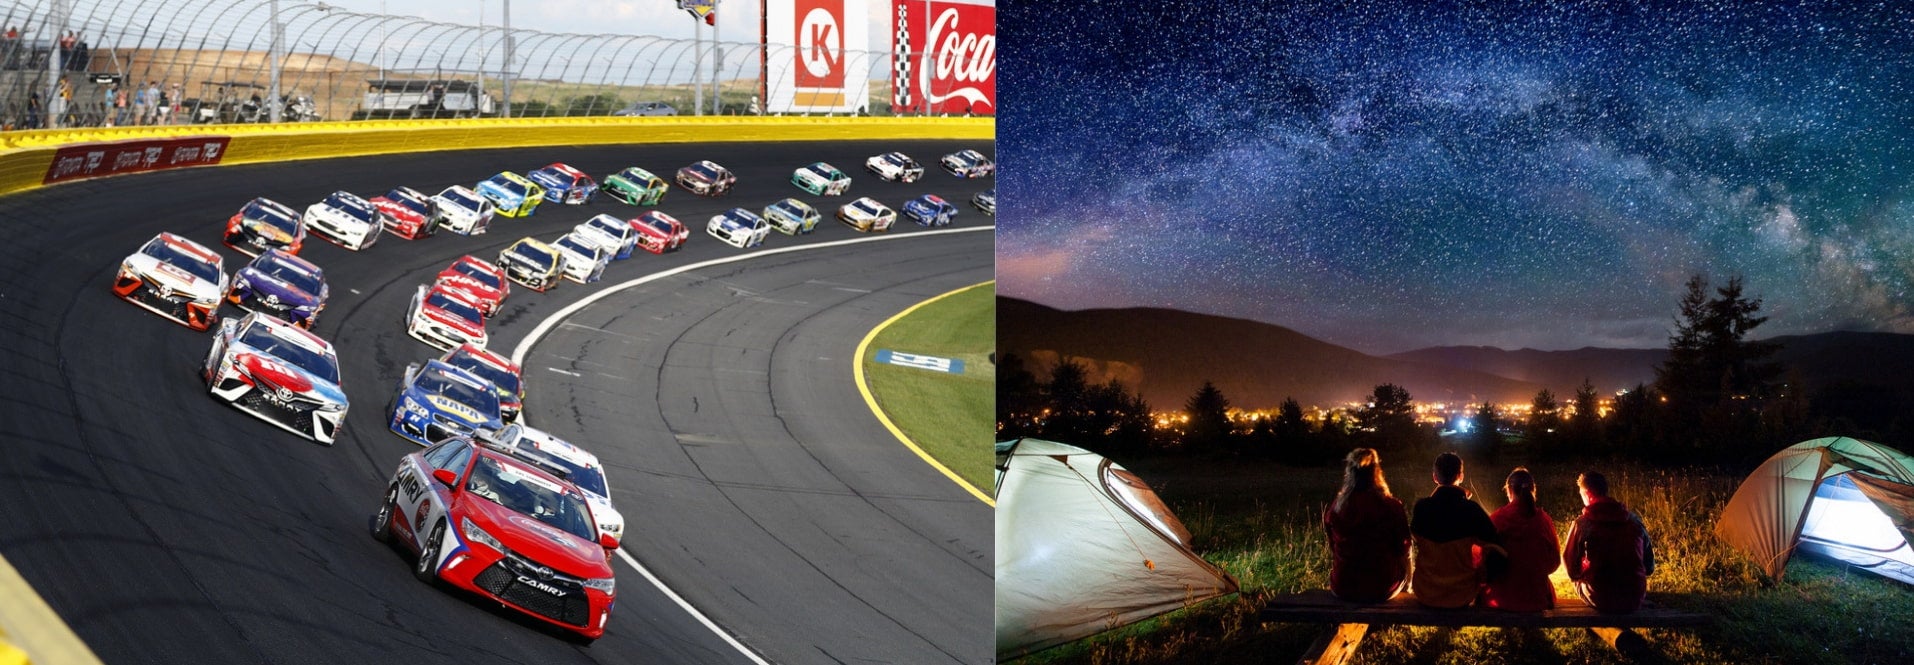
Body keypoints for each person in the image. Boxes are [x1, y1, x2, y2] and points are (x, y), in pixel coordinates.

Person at [1410, 452, 1502, 608]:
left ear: (1435, 477)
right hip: (1462, 594)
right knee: (1484, 548)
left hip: (1425, 592)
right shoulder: (1471, 510)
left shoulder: (1422, 508)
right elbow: (1497, 546)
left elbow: (1414, 538)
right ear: (1461, 476)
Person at [1323, 448, 1410, 602]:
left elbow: (1333, 546)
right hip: (1382, 588)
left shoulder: (1337, 508)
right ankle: (1408, 587)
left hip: (1343, 588)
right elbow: (1403, 547)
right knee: (1406, 554)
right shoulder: (1391, 506)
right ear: (1377, 472)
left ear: (1349, 474)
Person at [1563, 472, 1655, 613]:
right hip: (1633, 598)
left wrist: (1585, 569)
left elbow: (1571, 571)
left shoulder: (1582, 524)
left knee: (1579, 582)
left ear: (1587, 494)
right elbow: (1649, 567)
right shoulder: (1634, 521)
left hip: (1601, 597)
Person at [1483, 468, 1560, 611]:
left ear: (1509, 490)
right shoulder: (1544, 520)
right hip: (1536, 598)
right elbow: (1554, 563)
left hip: (1500, 599)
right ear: (1533, 490)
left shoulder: (1497, 518)